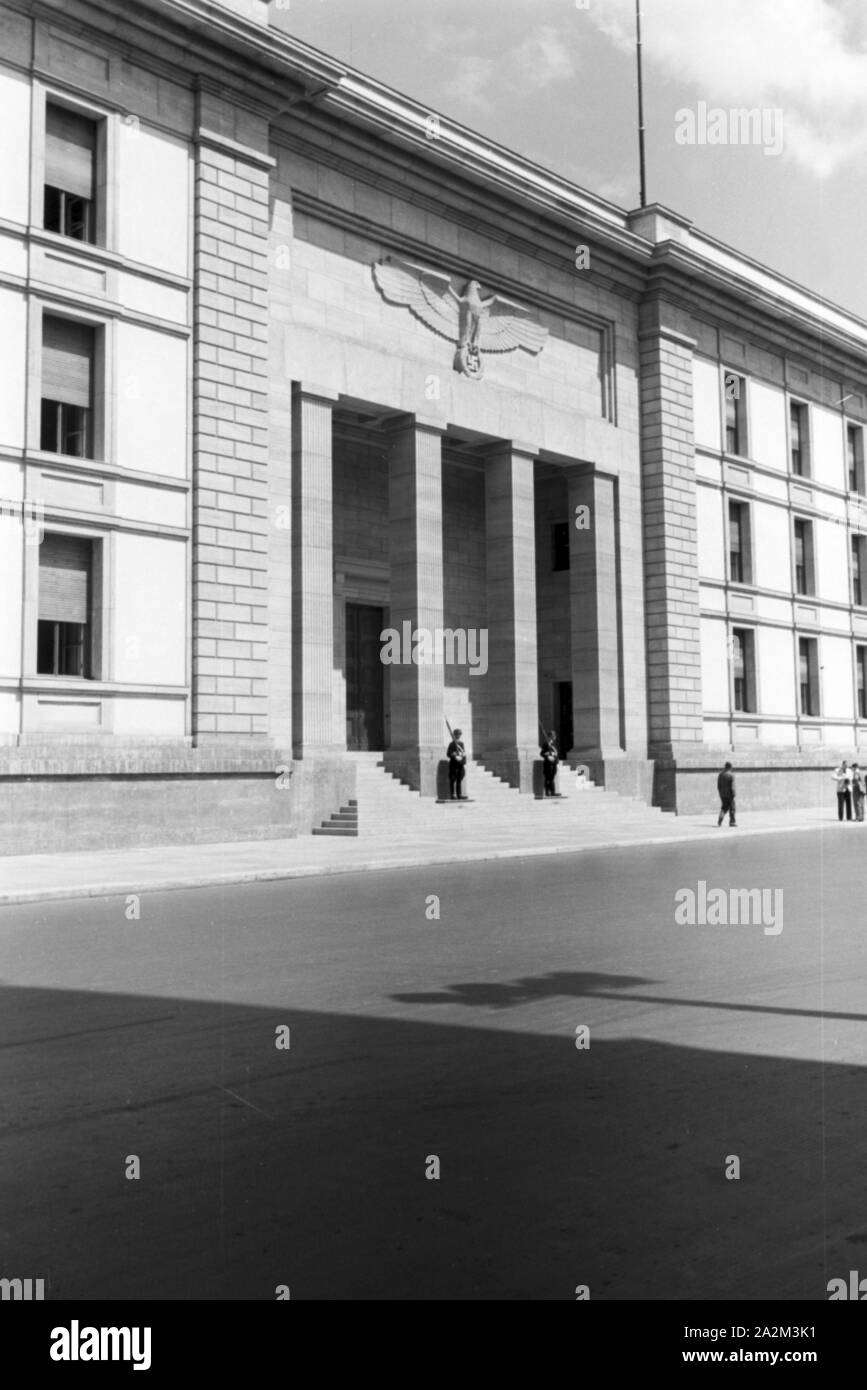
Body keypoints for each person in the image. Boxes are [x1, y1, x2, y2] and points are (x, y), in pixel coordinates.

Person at [446, 728, 467, 800]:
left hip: (460, 764)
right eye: (458, 734)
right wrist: (453, 754)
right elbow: (448, 754)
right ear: (454, 735)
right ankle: (452, 794)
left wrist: (463, 761)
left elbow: (463, 753)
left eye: (460, 734)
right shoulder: (451, 744)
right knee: (453, 779)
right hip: (454, 764)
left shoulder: (461, 743)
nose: (459, 735)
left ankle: (459, 794)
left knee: (459, 779)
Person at [540, 730, 559, 797]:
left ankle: (553, 792)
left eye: (554, 735)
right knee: (548, 778)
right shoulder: (546, 744)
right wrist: (547, 755)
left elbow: (556, 754)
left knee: (552, 778)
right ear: (550, 736)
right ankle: (547, 792)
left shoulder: (553, 745)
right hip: (548, 764)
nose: (555, 737)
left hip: (554, 764)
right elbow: (542, 753)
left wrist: (554, 756)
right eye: (553, 736)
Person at [717, 761, 736, 827]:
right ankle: (732, 822)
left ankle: (720, 819)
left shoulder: (720, 774)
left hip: (722, 794)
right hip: (730, 795)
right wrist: (734, 794)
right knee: (732, 808)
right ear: (730, 767)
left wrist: (720, 793)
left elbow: (718, 786)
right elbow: (732, 786)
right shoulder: (731, 775)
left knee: (724, 808)